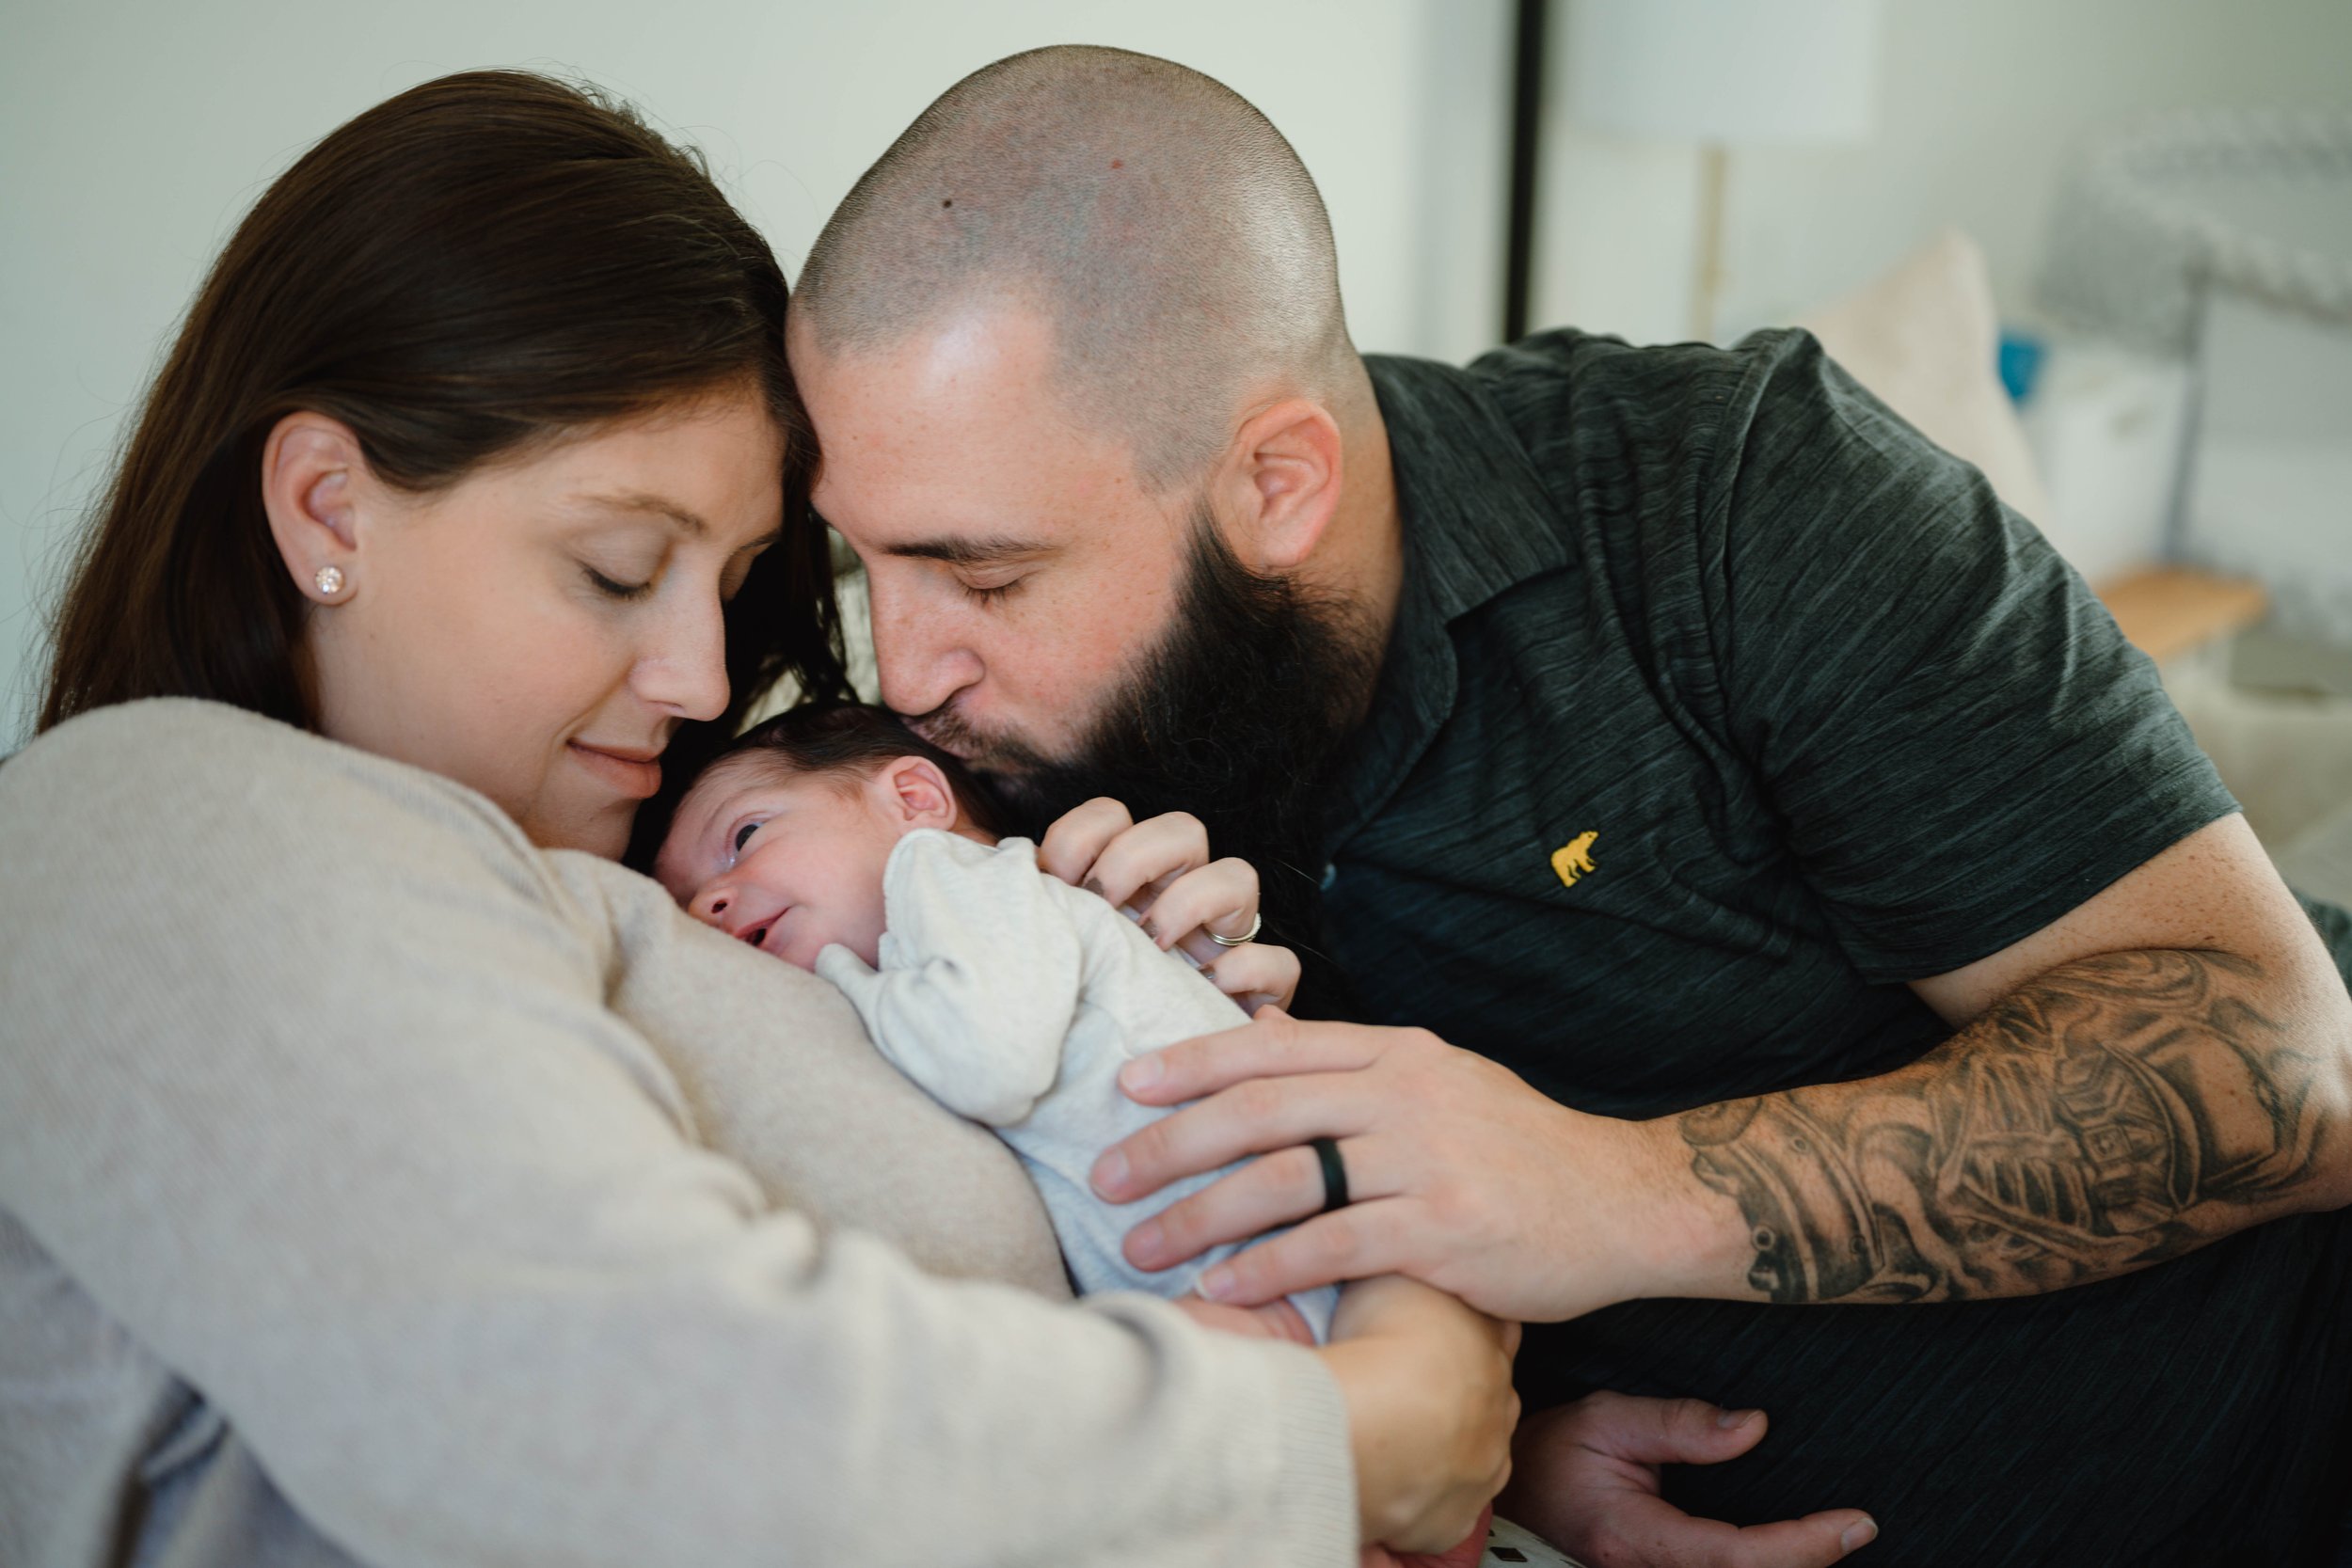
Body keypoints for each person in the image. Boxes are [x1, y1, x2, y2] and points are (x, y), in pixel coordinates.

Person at [786, 43, 2352, 1568]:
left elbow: (2282, 1065)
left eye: (986, 574)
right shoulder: (967, 795)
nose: (910, 666)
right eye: (872, 564)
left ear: (1278, 482)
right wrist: (1487, 1431)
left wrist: (1611, 1191)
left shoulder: (1728, 496)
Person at [0, 69, 1519, 1568]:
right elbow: (638, 1427)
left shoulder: (683, 870)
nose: (701, 672)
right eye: (611, 564)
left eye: (732, 584)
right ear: (331, 509)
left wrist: (1170, 1036)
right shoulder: (161, 814)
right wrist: (1355, 1430)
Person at [654, 702, 1340, 1343]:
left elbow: (991, 1065)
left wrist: (846, 984)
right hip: (1230, 1274)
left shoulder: (947, 871)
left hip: (1275, 1255)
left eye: (744, 835)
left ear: (913, 800)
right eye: (684, 906)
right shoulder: (980, 947)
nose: (710, 901)